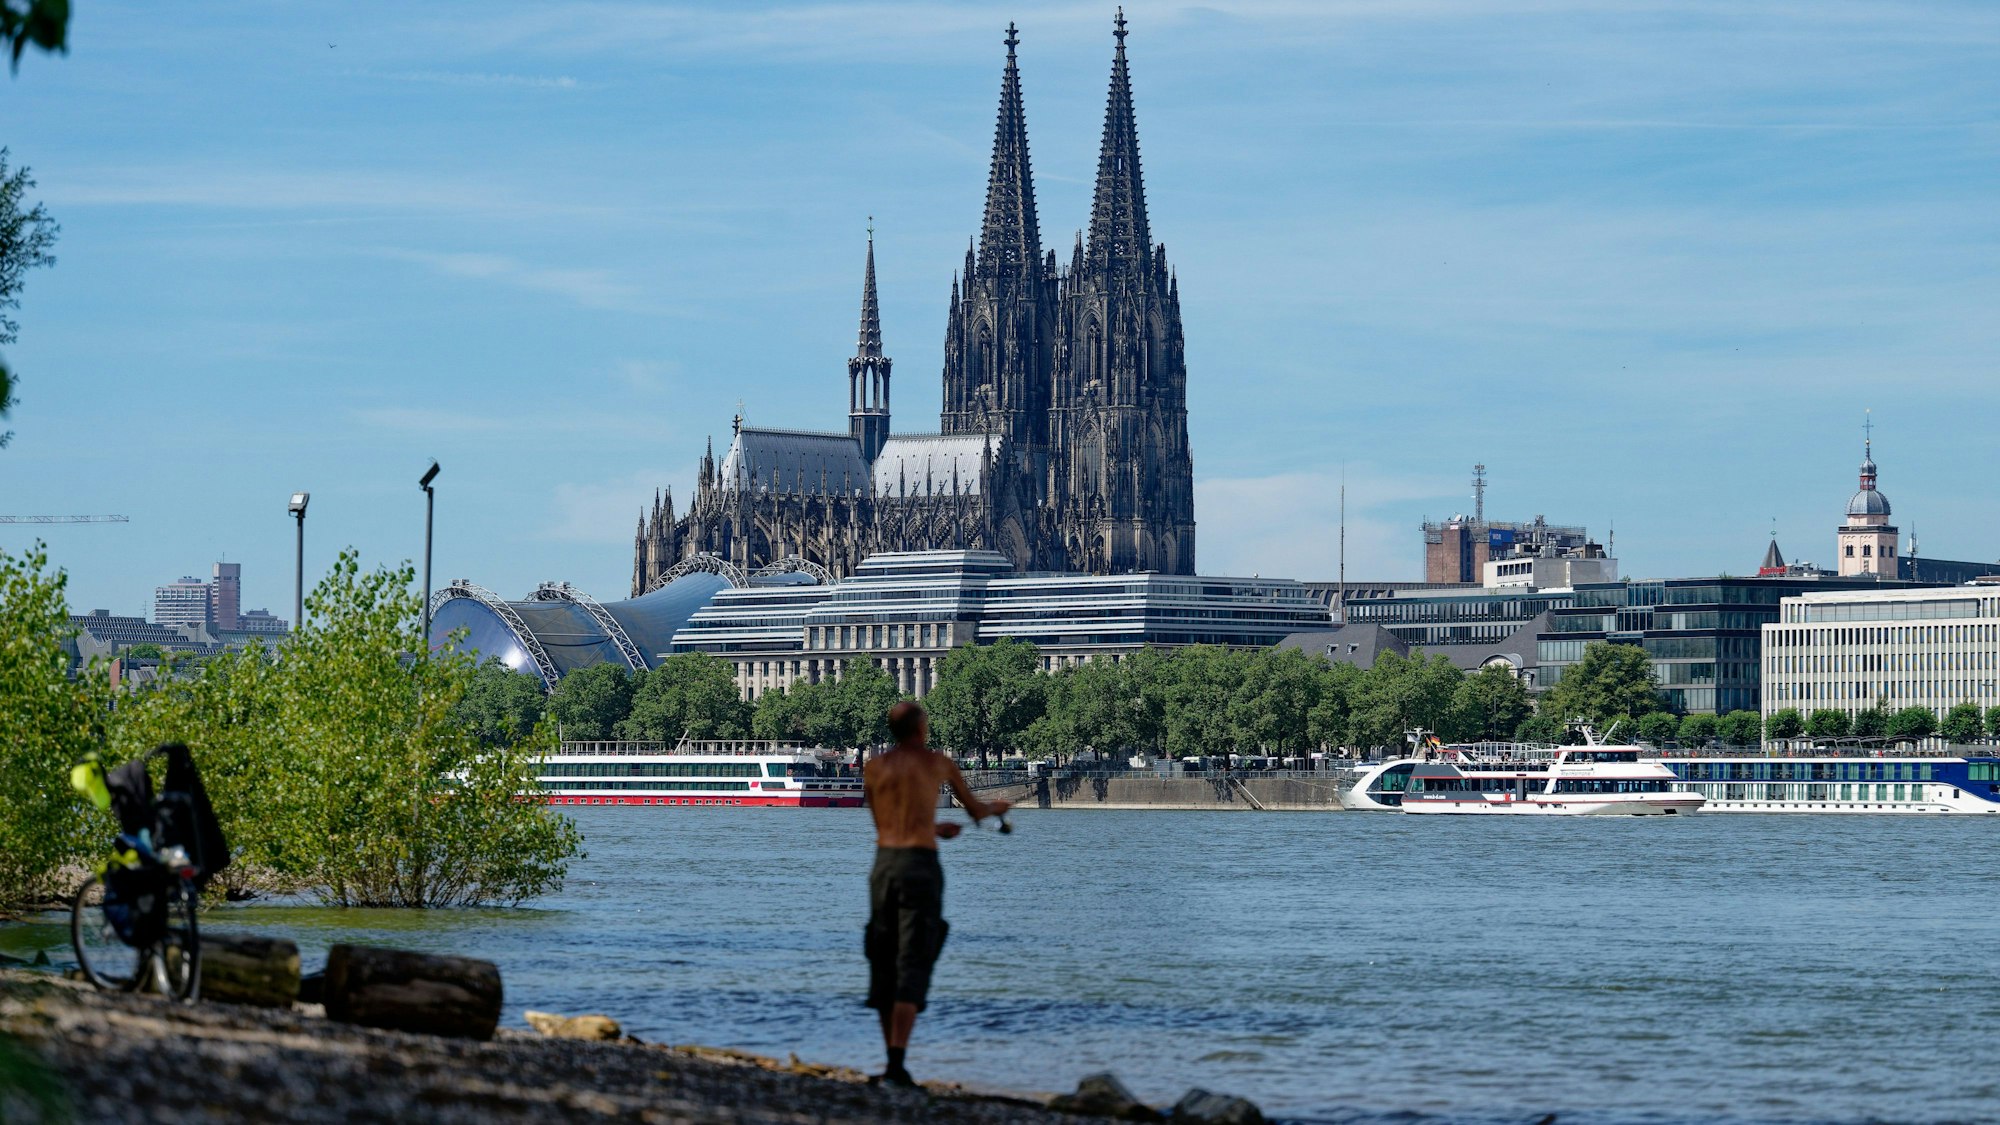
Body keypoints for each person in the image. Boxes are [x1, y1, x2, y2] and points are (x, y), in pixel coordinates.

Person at [861, 700, 1009, 1088]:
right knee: (915, 954)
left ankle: (888, 1058)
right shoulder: (937, 763)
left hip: (885, 863)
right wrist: (997, 807)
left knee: (882, 952)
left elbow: (885, 823)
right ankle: (898, 1061)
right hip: (921, 868)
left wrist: (932, 829)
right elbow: (975, 811)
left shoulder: (874, 767)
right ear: (921, 729)